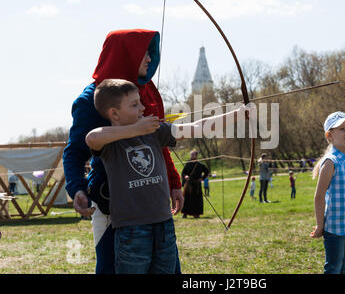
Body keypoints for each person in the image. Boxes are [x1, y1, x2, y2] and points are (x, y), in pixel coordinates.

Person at [85, 79, 250, 273]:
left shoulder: (155, 132)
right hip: (131, 230)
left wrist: (238, 114)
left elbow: (197, 127)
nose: (143, 107)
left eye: (140, 102)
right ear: (114, 113)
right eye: (135, 104)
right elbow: (92, 138)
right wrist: (136, 129)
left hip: (164, 224)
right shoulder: (111, 143)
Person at [62, 29, 184, 274]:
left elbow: (156, 142)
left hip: (152, 208)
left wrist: (173, 182)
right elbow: (75, 151)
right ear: (125, 55)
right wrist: (76, 187)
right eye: (143, 53)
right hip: (113, 207)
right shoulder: (91, 100)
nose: (150, 59)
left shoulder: (145, 91)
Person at [310, 111, 345, 274]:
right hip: (334, 226)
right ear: (330, 135)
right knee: (334, 266)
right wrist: (320, 225)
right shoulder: (330, 162)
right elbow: (319, 197)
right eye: (342, 129)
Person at [181, 150, 210, 219]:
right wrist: (185, 176)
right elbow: (183, 173)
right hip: (188, 185)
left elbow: (207, 172)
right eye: (191, 155)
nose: (192, 156)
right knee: (186, 199)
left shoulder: (200, 165)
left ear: (196, 156)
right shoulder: (187, 164)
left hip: (197, 185)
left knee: (197, 200)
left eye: (193, 155)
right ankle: (185, 213)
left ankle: (196, 214)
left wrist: (202, 178)